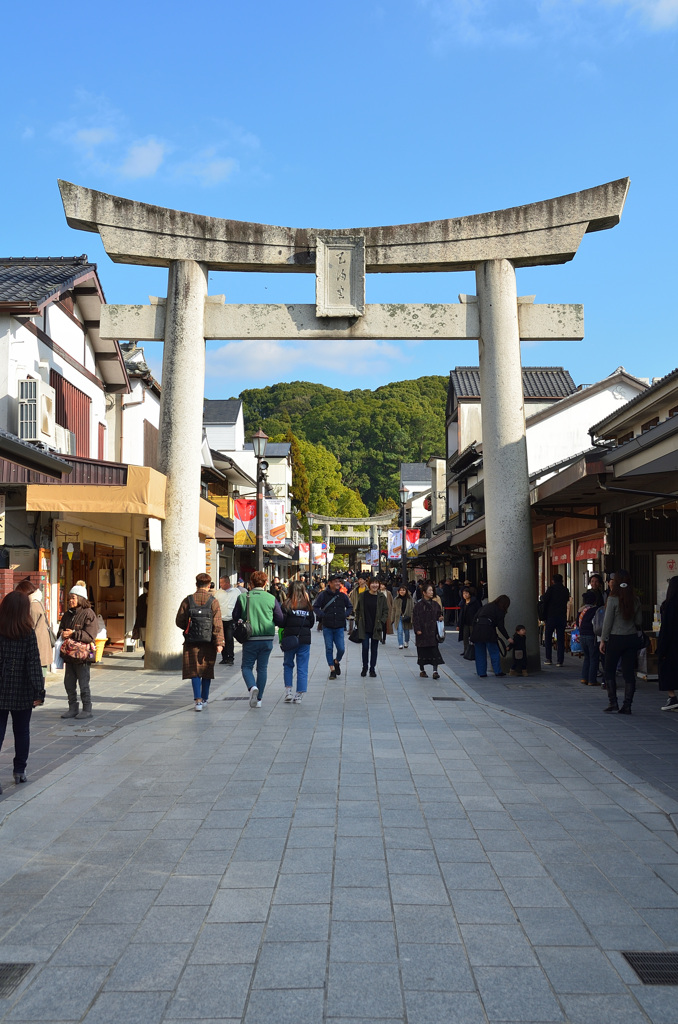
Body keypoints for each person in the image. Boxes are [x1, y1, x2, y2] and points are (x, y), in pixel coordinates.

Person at [0, 591, 45, 788]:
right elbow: (33, 665)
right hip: (22, 690)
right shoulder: (27, 634)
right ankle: (19, 770)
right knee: (22, 732)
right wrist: (39, 692)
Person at [233, 571, 284, 708]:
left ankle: (252, 687)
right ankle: (259, 699)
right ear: (266, 583)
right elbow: (280, 619)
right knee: (262, 668)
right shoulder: (271, 598)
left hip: (250, 638)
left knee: (246, 667)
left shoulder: (243, 597)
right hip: (267, 638)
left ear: (251, 583)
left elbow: (235, 616)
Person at [175, 573, 224, 711]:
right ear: (209, 586)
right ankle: (205, 698)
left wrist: (189, 627)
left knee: (194, 670)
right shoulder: (213, 601)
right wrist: (219, 642)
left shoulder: (188, 600)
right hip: (209, 641)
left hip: (191, 641)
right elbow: (218, 624)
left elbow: (179, 620)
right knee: (207, 669)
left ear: (196, 584)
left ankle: (197, 701)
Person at [599, 569, 643, 714]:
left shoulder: (612, 599)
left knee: (609, 670)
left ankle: (613, 702)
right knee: (629, 672)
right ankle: (628, 705)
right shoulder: (635, 599)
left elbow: (607, 622)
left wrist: (603, 639)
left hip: (615, 638)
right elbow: (639, 621)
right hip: (630, 638)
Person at [58, 584, 97, 719]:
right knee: (68, 683)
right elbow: (61, 629)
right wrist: (63, 633)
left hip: (83, 656)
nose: (70, 601)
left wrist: (73, 634)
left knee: (83, 683)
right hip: (69, 655)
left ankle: (87, 709)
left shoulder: (89, 613)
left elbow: (90, 636)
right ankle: (72, 708)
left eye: (73, 598)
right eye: (69, 598)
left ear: (80, 598)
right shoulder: (67, 614)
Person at [313, 575, 354, 679]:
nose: (337, 584)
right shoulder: (323, 595)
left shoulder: (342, 596)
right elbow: (315, 607)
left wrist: (345, 614)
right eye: (335, 582)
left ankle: (336, 661)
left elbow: (350, 606)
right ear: (329, 583)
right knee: (329, 648)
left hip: (339, 626)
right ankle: (332, 670)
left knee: (341, 649)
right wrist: (322, 615)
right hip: (327, 626)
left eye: (338, 582)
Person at [281, 581, 315, 704]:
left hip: (290, 638)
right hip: (304, 639)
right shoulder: (308, 606)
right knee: (302, 667)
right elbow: (311, 623)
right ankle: (299, 694)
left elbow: (282, 622)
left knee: (288, 664)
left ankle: (288, 691)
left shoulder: (286, 605)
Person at [15, 579, 52, 676]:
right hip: (40, 650)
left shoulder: (32, 606)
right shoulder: (37, 602)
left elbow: (29, 627)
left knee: (36, 681)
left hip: (36, 650)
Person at [355, 578, 389, 678]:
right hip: (365, 626)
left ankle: (372, 668)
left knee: (374, 649)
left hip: (376, 627)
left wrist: (382, 621)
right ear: (369, 585)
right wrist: (358, 621)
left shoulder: (382, 597)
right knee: (365, 647)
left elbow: (385, 611)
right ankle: (365, 667)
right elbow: (358, 610)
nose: (375, 585)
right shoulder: (363, 595)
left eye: (376, 583)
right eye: (373, 583)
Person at [470, 595, 511, 677]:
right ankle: (497, 671)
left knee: (480, 653)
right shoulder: (500, 610)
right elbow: (501, 627)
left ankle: (481, 672)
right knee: (494, 652)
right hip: (489, 632)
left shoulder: (486, 606)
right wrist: (508, 638)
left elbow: (474, 618)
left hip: (477, 631)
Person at [412, 582, 445, 679]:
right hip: (422, 633)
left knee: (434, 651)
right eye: (429, 590)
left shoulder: (435, 604)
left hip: (432, 632)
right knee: (422, 652)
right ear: (424, 592)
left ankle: (435, 671)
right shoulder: (418, 605)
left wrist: (440, 618)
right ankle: (422, 670)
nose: (432, 592)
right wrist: (417, 629)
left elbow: (439, 614)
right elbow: (415, 619)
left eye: (432, 590)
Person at [658, 576, 678, 711]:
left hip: (672, 644)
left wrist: (661, 648)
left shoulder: (669, 605)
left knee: (668, 670)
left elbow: (666, 628)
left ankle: (672, 697)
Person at [541, 573, 570, 667]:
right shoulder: (565, 590)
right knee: (560, 639)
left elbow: (544, 599)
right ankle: (560, 661)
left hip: (551, 616)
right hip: (562, 616)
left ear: (553, 581)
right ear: (562, 581)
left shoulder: (551, 589)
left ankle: (548, 659)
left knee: (548, 638)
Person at [215, 576, 239, 665]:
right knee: (221, 638)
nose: (220, 585)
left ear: (227, 583)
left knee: (229, 638)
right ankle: (224, 657)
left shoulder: (236, 592)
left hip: (230, 619)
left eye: (222, 583)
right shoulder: (218, 593)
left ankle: (230, 657)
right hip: (220, 619)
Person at [577, 592, 599, 686]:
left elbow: (578, 624)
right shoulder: (595, 610)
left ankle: (584, 678)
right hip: (591, 636)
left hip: (582, 636)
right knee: (594, 658)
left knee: (587, 657)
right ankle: (592, 680)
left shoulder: (581, 610)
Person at [457, 586, 482, 658]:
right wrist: (458, 624)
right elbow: (461, 614)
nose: (465, 595)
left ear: (470, 594)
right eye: (463, 593)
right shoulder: (463, 603)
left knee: (473, 637)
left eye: (466, 593)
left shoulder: (474, 602)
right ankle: (466, 651)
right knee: (465, 637)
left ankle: (475, 651)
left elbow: (478, 611)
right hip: (465, 623)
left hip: (472, 622)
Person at [391, 584, 414, 649]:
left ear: (406, 591)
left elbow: (412, 608)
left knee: (406, 631)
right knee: (400, 631)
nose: (402, 591)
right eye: (400, 590)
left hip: (407, 617)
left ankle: (406, 641)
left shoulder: (410, 599)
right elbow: (393, 609)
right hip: (399, 617)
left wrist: (412, 618)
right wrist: (392, 619)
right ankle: (400, 644)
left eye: (403, 590)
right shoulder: (396, 599)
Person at [132, 582, 148, 652]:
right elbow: (139, 611)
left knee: (145, 638)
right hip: (143, 622)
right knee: (144, 638)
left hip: (143, 621)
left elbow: (138, 611)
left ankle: (147, 652)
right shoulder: (142, 598)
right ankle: (146, 652)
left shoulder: (141, 598)